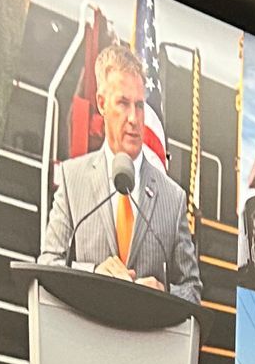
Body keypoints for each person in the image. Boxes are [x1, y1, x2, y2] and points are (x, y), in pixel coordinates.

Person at [41, 40, 201, 301]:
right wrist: (93, 273)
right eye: (123, 103)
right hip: (84, 336)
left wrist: (164, 292)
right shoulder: (73, 180)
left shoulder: (172, 199)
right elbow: (48, 264)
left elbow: (192, 290)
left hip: (144, 338)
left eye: (139, 105)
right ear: (102, 104)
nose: (134, 118)